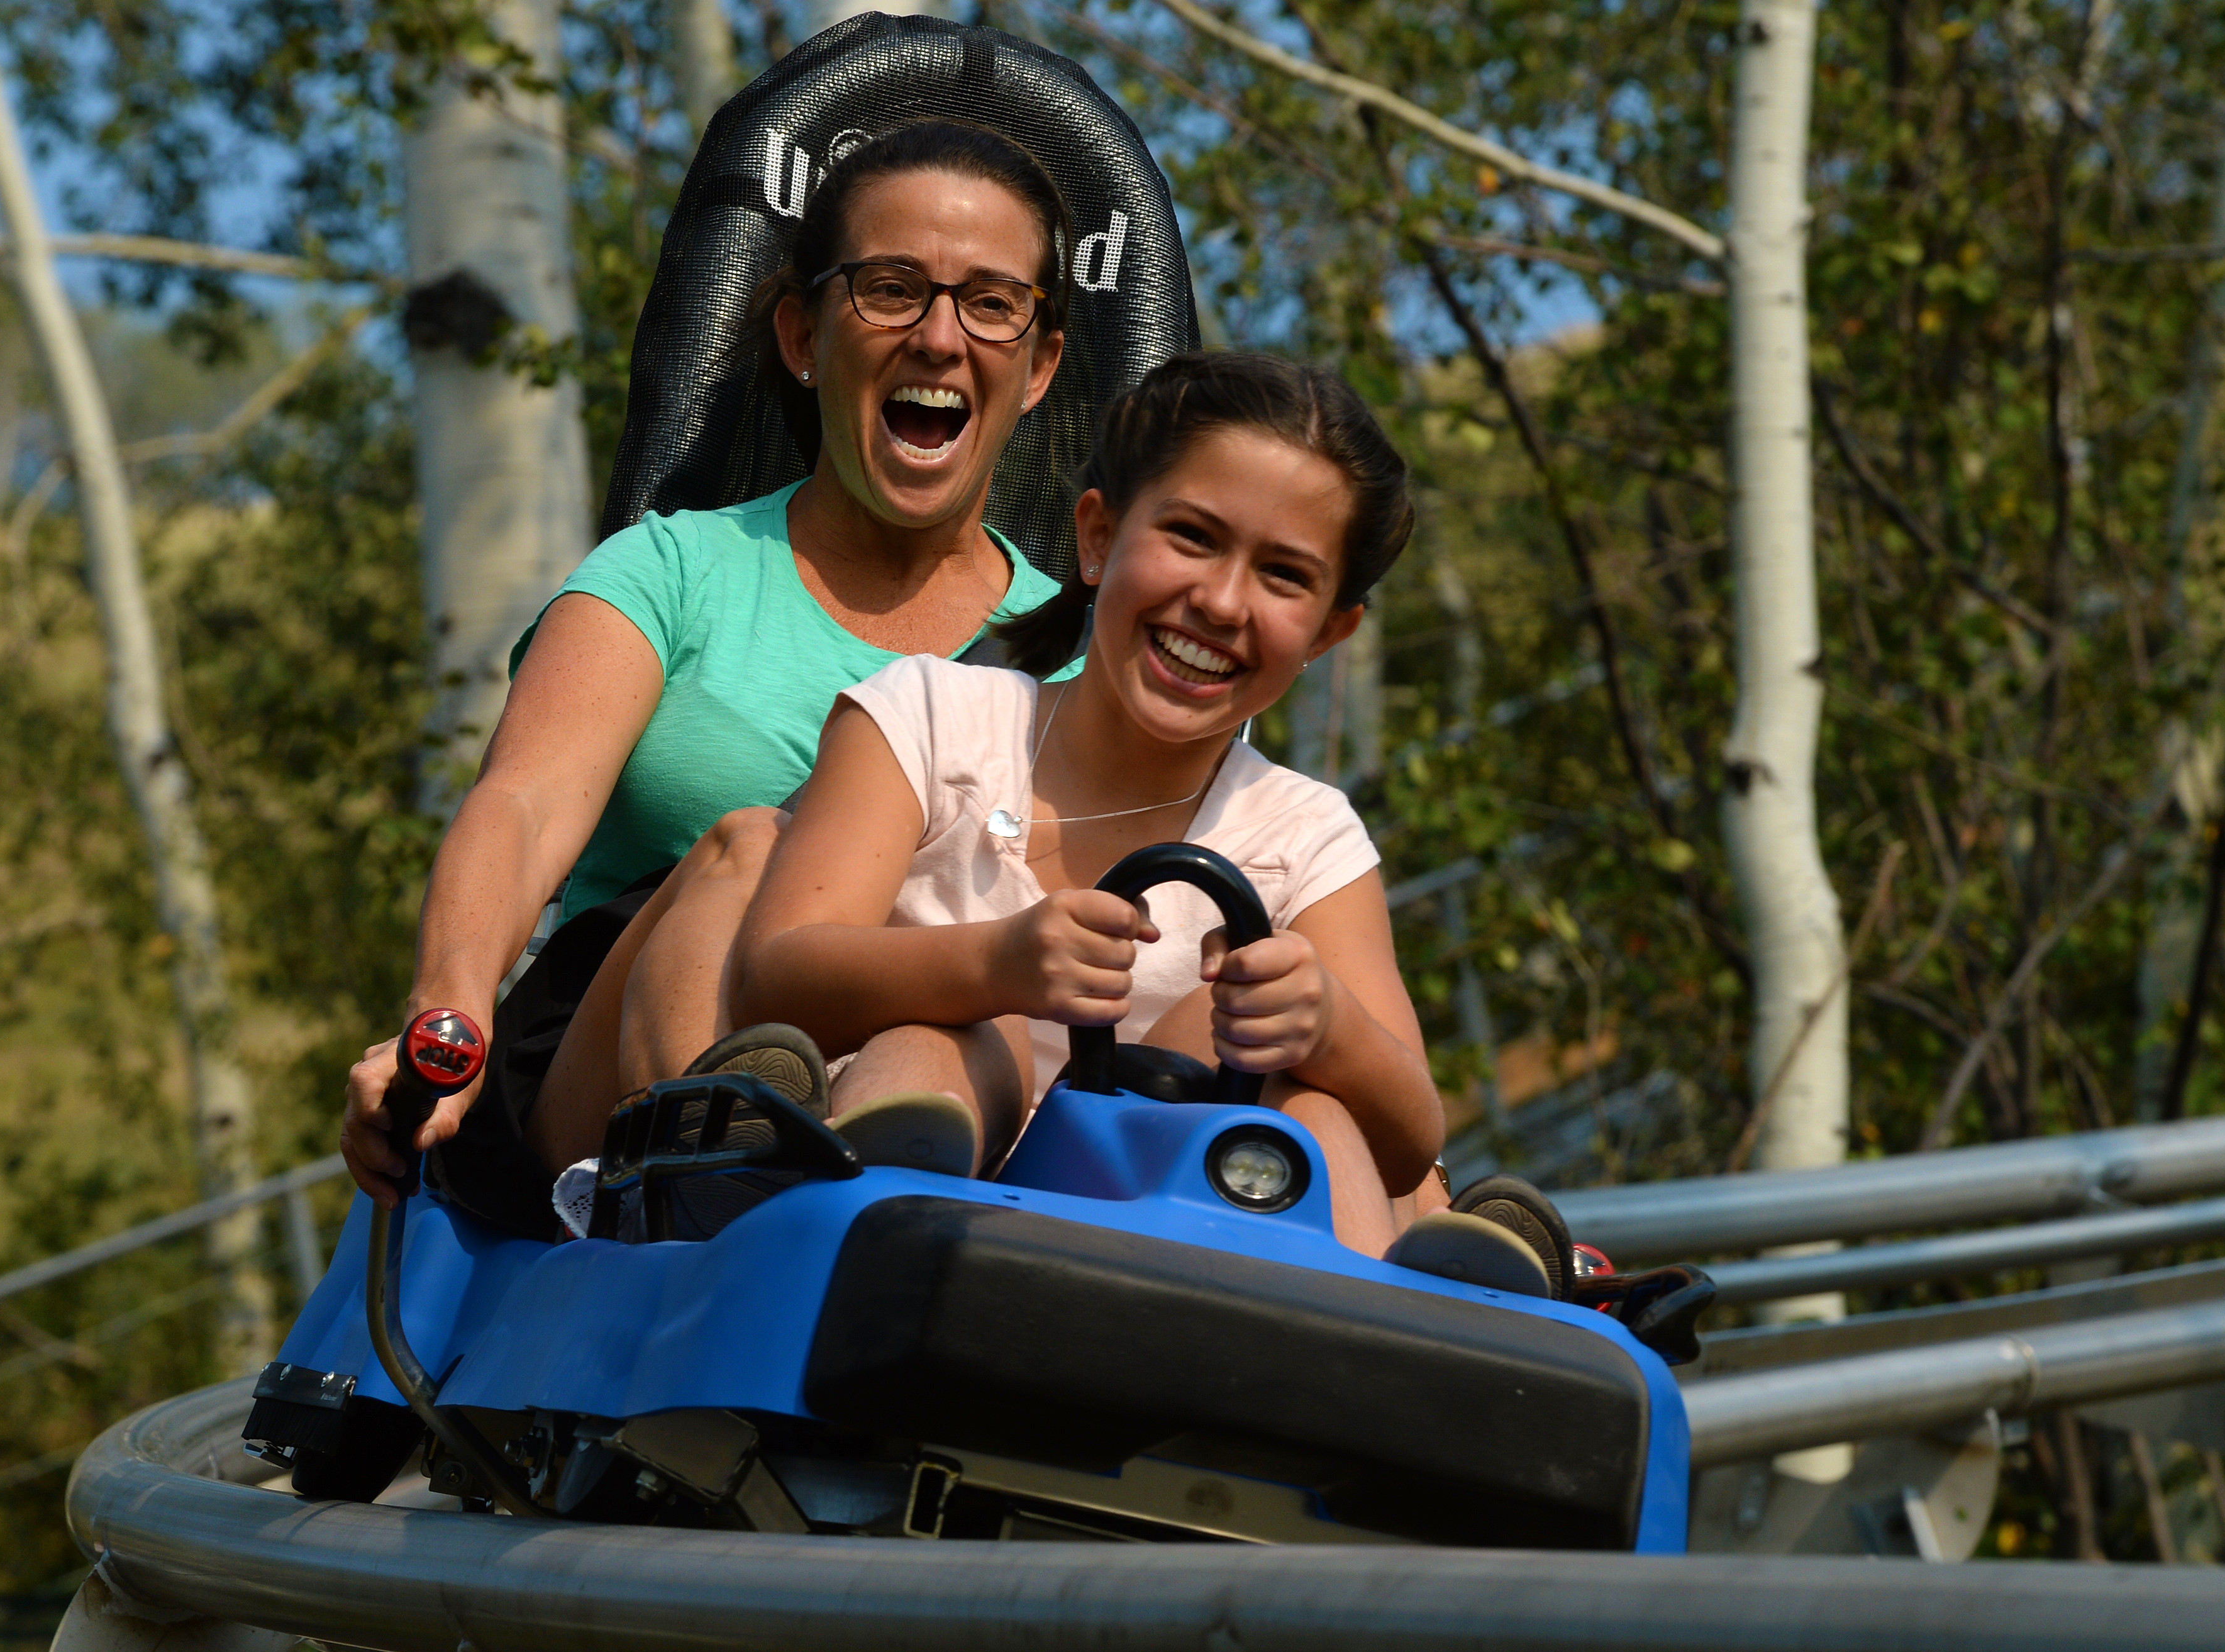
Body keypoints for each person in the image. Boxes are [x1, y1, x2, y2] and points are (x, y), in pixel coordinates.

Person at [337, 120, 1080, 1230]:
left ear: (1039, 364)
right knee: (753, 849)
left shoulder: (1074, 649)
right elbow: (527, 802)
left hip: (945, 1083)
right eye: (890, 289)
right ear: (801, 333)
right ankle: (701, 1205)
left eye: (990, 303)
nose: (939, 336)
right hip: (619, 1056)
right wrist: (445, 1017)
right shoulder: (672, 569)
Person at [728, 353, 1445, 1255]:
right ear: (1099, 538)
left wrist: (1330, 1024)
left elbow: (1415, 1132)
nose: (1222, 602)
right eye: (1191, 536)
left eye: (1284, 577)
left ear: (1331, 630)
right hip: (913, 1205)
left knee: (1308, 1107)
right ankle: (851, 1284)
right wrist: (997, 965)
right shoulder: (926, 719)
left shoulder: (1307, 838)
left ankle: (1356, 1346)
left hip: (1162, 1250)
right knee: (941, 1046)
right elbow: (774, 975)